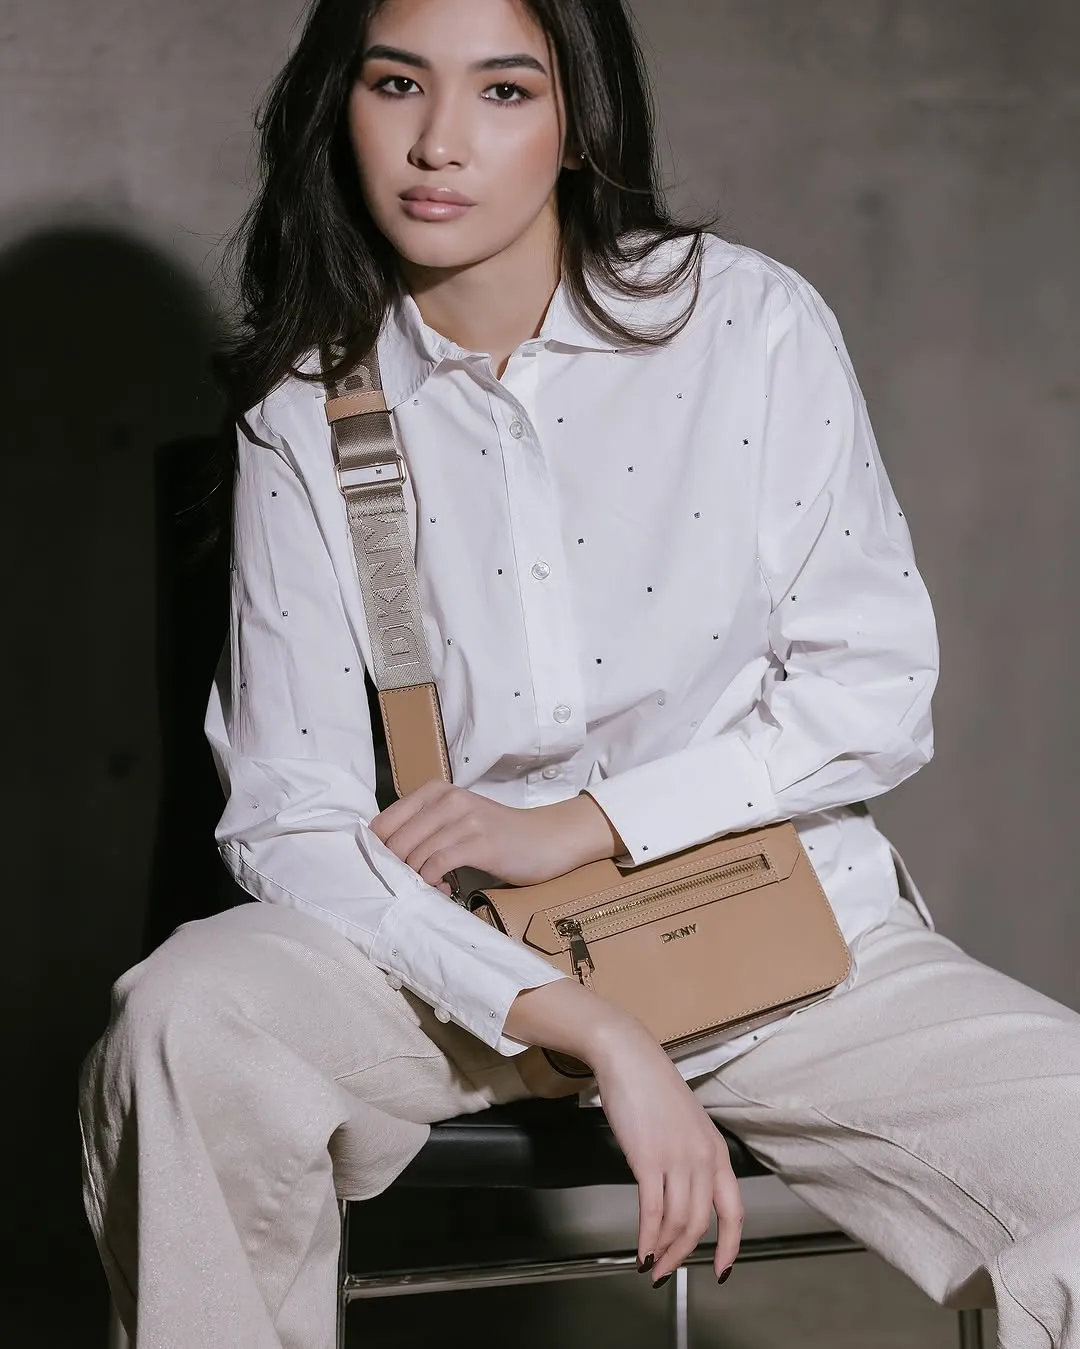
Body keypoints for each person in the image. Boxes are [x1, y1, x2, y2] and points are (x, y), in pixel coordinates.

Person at [77, 0, 1080, 1345]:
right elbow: (288, 815)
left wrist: (586, 824)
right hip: (453, 974)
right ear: (339, 107)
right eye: (396, 84)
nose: (439, 142)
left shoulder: (745, 324)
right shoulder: (307, 410)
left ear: (578, 123)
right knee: (188, 1018)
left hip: (771, 935)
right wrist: (591, 1026)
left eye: (503, 91)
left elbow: (873, 694)